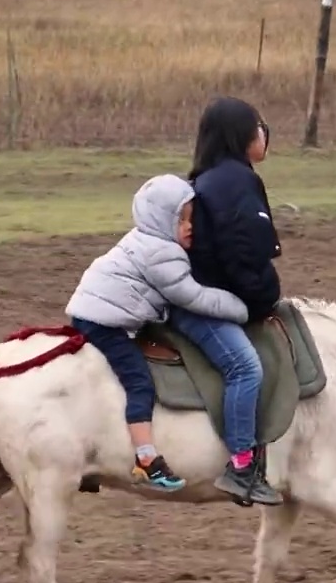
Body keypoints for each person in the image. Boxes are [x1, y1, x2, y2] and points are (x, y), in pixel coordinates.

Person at [66, 173, 250, 493]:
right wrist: (242, 307)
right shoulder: (162, 253)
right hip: (104, 323)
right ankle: (147, 459)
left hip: (92, 312)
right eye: (183, 219)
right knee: (139, 382)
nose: (190, 226)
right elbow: (192, 296)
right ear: (163, 220)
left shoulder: (143, 239)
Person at [171, 95, 285, 507]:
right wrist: (265, 298)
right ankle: (242, 467)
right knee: (244, 367)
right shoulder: (237, 181)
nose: (264, 134)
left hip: (210, 294)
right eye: (258, 126)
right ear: (241, 135)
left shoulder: (211, 179)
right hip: (204, 304)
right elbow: (243, 256)